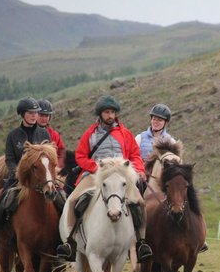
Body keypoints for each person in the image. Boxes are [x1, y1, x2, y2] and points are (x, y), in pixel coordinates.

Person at [56, 95, 152, 262]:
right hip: (95, 175)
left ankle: (141, 243)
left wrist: (139, 170)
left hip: (121, 176)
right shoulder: (90, 133)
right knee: (72, 200)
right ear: (100, 114)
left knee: (140, 203)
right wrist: (95, 168)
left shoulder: (125, 133)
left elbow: (135, 155)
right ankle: (69, 242)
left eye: (112, 112)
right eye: (107, 112)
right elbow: (80, 156)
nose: (110, 116)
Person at [0, 97, 51, 262]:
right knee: (1, 203)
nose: (34, 116)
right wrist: (18, 173)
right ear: (22, 114)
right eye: (30, 113)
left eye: (36, 113)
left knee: (60, 199)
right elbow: (9, 159)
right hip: (19, 179)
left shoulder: (44, 133)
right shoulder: (13, 136)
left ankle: (63, 243)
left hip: (41, 180)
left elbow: (49, 157)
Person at [37, 98, 66, 170]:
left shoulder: (54, 135)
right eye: (41, 115)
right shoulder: (27, 133)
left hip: (53, 170)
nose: (44, 118)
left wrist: (58, 166)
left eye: (46, 116)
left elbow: (61, 152)